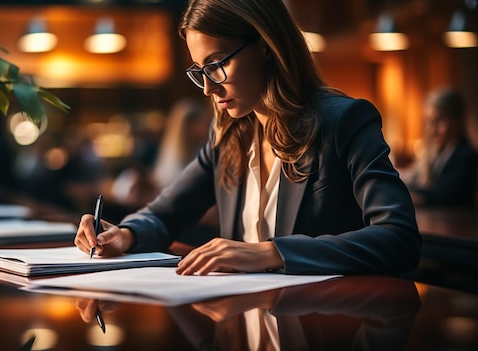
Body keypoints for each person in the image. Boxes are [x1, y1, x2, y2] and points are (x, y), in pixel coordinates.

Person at [74, 0, 421, 276]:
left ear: (266, 45)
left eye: (217, 64)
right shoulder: (227, 133)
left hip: (320, 323)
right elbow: (165, 214)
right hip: (243, 323)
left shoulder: (343, 121)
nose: (209, 87)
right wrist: (125, 234)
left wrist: (270, 252)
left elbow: (399, 238)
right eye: (200, 71)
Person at [400, 88, 478, 207]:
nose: (432, 130)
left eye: (439, 120)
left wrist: (410, 195)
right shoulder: (436, 155)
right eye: (429, 122)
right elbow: (412, 178)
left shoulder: (467, 156)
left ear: (457, 120)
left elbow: (443, 195)